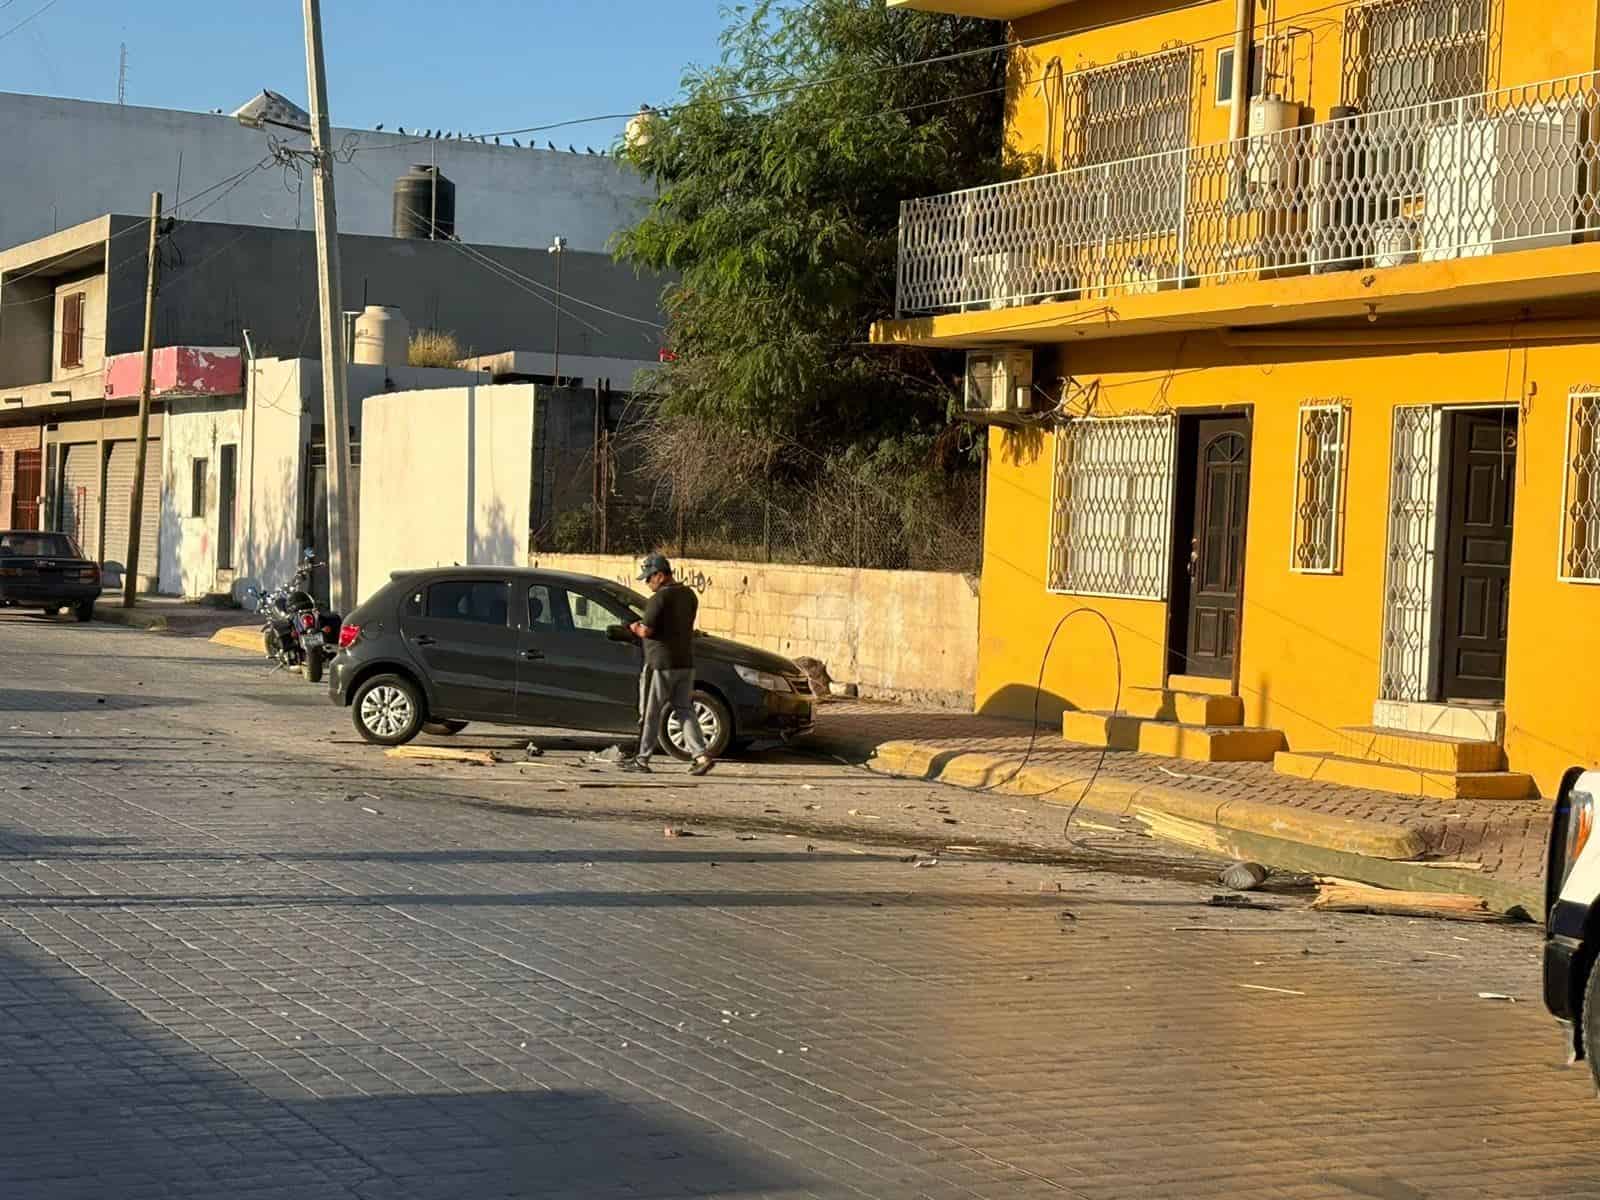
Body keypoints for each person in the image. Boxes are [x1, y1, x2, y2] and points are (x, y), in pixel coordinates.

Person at [622, 553, 714, 776]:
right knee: (684, 710)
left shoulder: (659, 599)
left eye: (649, 578)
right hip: (685, 662)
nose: (647, 582)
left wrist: (632, 627)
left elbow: (647, 630)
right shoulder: (689, 595)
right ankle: (701, 755)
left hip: (660, 663)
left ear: (660, 576)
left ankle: (641, 759)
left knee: (649, 712)